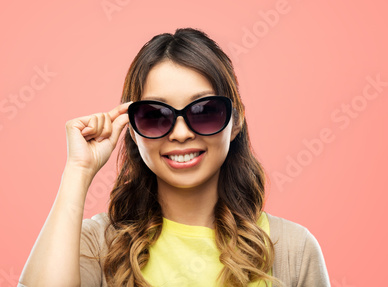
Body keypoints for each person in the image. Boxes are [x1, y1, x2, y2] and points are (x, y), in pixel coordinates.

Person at [18, 28, 330, 287]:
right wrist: (78, 170)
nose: (180, 133)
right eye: (156, 115)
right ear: (133, 130)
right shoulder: (95, 246)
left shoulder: (293, 250)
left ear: (235, 122)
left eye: (205, 111)